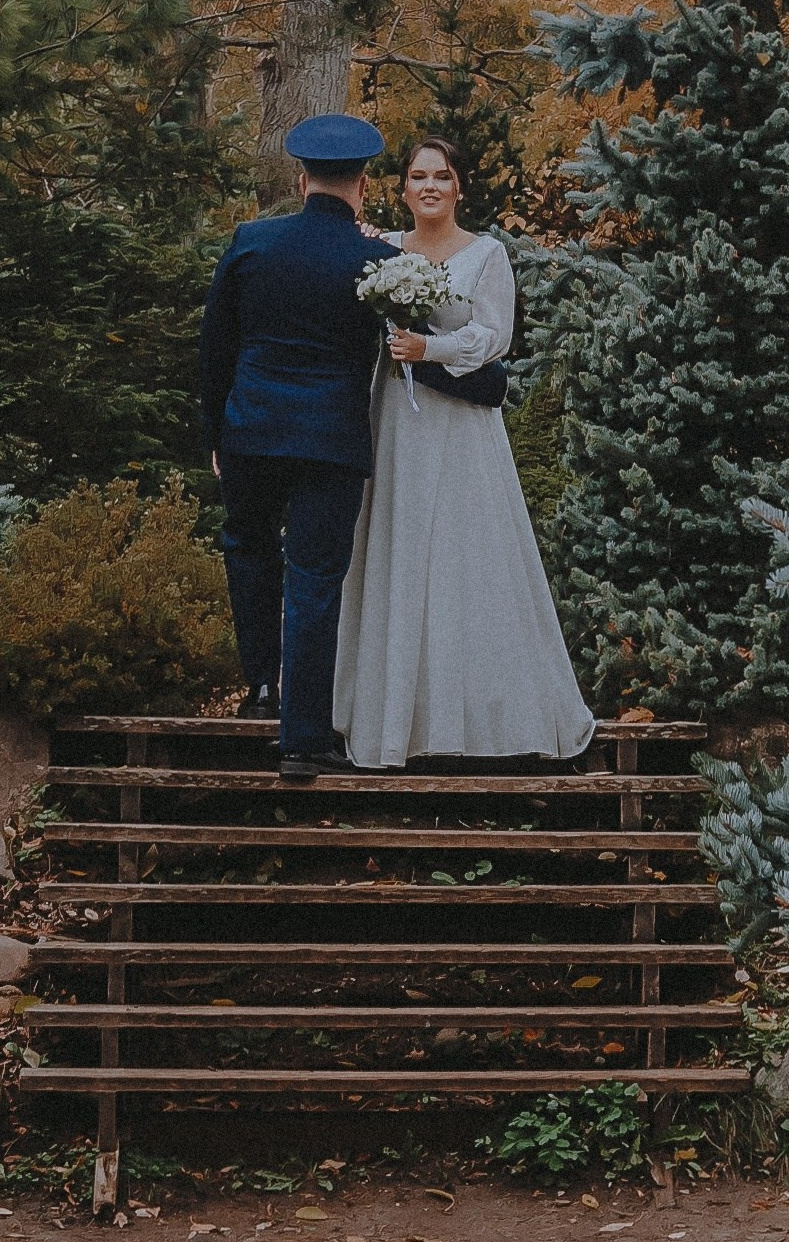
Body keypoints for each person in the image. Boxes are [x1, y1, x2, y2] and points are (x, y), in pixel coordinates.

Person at [335, 136, 595, 768]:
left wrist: (433, 350)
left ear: (457, 188)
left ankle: (484, 717)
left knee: (467, 551)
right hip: (395, 416)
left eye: (441, 176)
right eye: (418, 176)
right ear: (402, 189)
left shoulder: (488, 254)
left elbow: (494, 336)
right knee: (396, 548)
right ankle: (394, 715)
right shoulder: (385, 250)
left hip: (460, 425)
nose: (429, 186)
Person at [198, 112, 389, 779]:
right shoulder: (378, 261)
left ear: (300, 178)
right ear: (362, 183)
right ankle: (304, 737)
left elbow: (215, 346)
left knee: (249, 550)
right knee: (314, 579)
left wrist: (214, 432)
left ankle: (260, 689)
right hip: (331, 437)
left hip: (251, 427)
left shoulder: (252, 242)